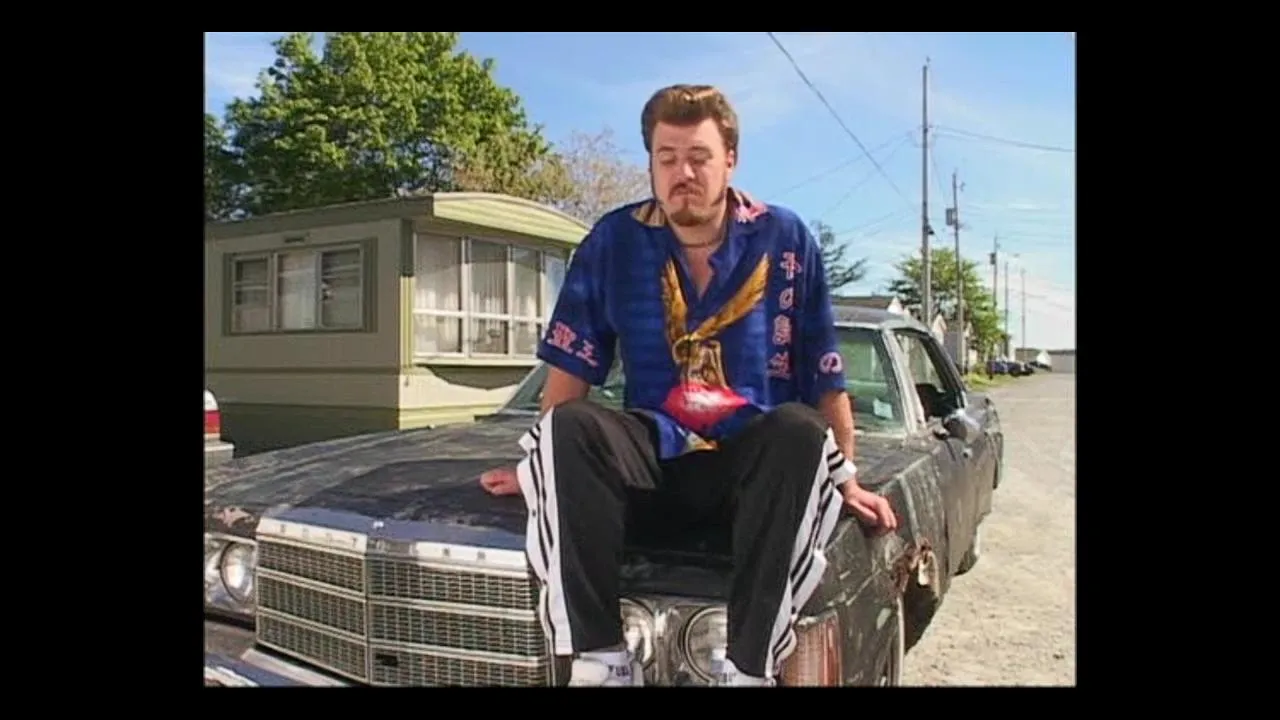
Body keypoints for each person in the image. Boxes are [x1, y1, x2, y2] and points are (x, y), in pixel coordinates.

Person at [479, 84, 898, 687]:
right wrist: (542, 469)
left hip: (751, 474)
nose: (683, 174)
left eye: (699, 157)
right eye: (667, 158)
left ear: (730, 160)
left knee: (799, 429)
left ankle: (749, 669)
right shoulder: (614, 241)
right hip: (654, 461)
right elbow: (571, 368)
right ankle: (601, 661)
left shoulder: (785, 239)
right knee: (570, 428)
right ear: (651, 164)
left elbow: (823, 369)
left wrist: (846, 478)